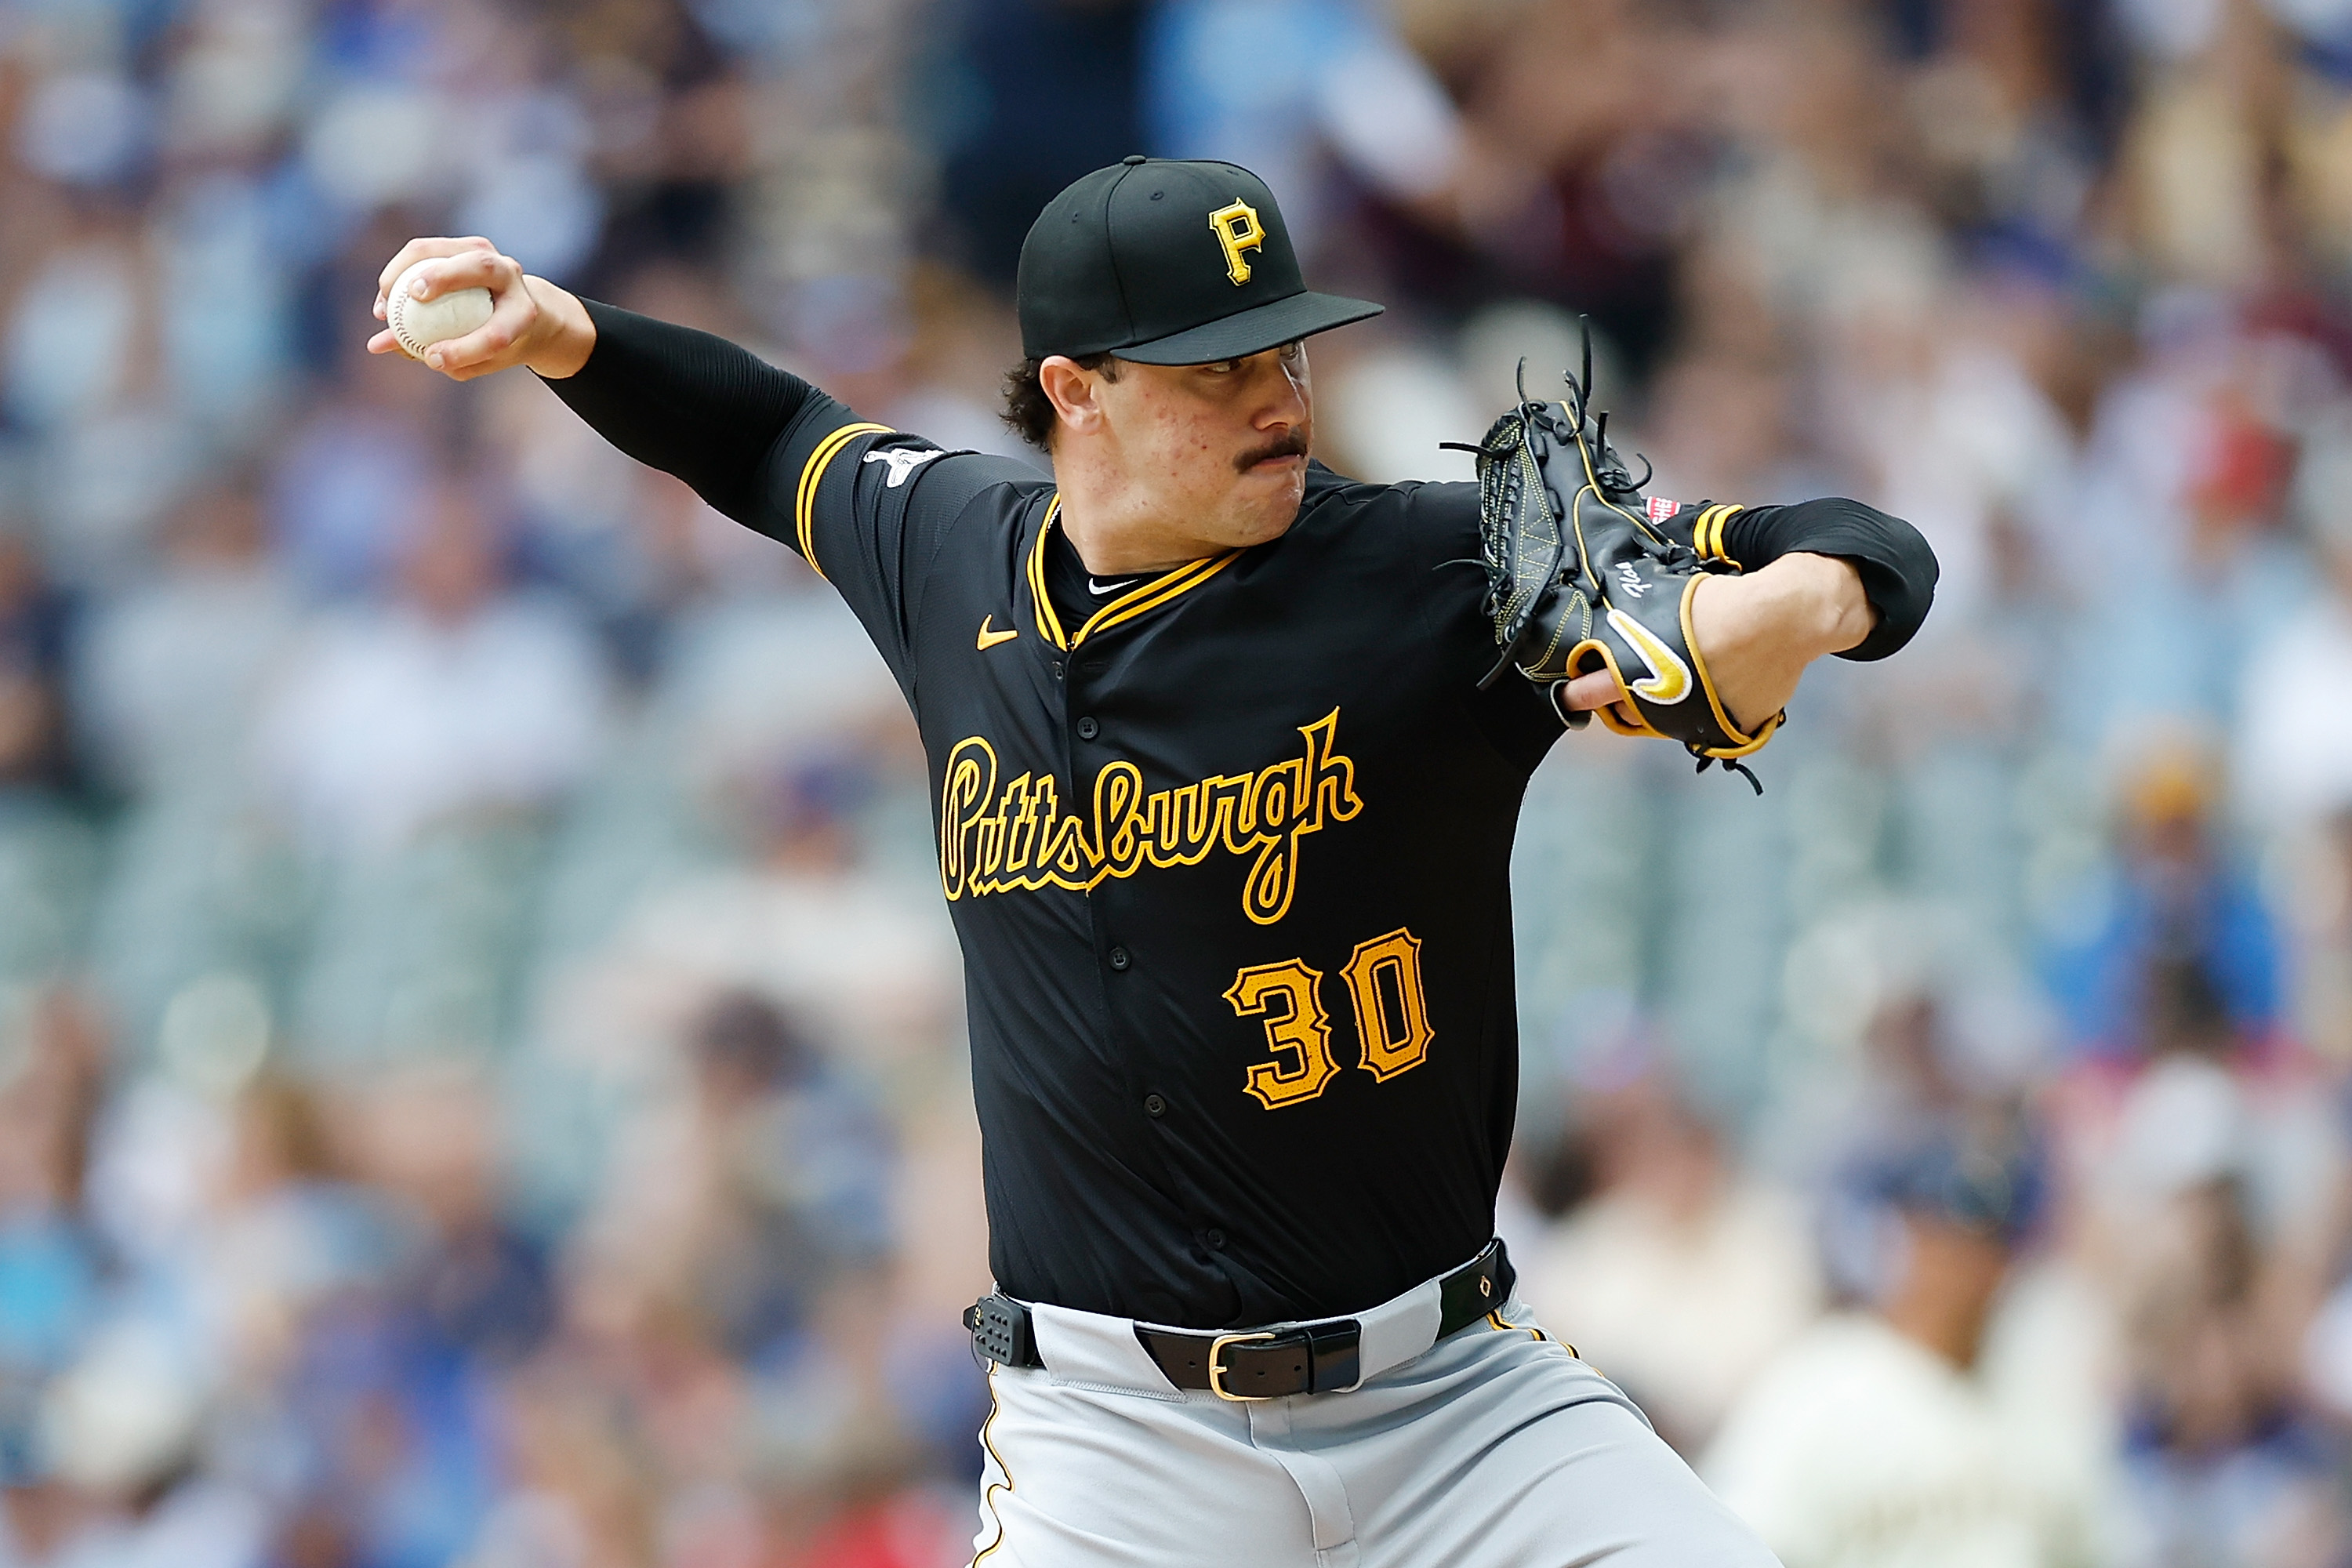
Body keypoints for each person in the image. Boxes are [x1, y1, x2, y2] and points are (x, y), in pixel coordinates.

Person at [367, 157, 1933, 1566]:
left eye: (1290, 350)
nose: (1283, 399)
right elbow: (774, 432)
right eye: (1221, 366)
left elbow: (1862, 542)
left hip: (1456, 1407)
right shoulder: (949, 551)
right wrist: (562, 336)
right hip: (1120, 1447)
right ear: (1078, 390)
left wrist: (1792, 608)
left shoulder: (1420, 573)